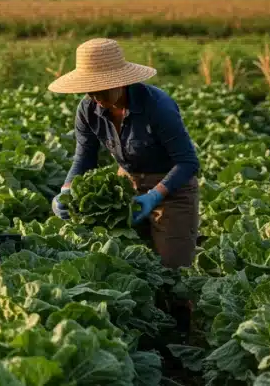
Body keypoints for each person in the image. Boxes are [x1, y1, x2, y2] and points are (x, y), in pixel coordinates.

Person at [47, 38, 200, 332]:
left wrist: (154, 197)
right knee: (129, 262)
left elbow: (187, 163)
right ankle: (142, 332)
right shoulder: (88, 109)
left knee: (173, 273)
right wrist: (66, 191)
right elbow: (84, 157)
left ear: (121, 81)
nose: (96, 96)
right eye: (90, 89)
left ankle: (178, 338)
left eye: (102, 88)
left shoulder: (158, 106)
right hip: (125, 184)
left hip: (171, 188)